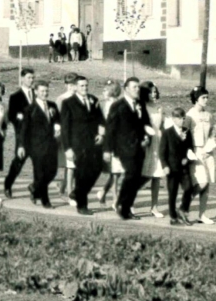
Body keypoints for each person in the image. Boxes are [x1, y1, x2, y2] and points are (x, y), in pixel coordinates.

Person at [105, 77, 150, 220]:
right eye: (134, 87)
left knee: (136, 178)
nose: (137, 89)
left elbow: (146, 123)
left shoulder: (140, 104)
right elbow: (110, 129)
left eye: (138, 87)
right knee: (131, 174)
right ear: (126, 89)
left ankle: (125, 207)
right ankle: (121, 205)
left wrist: (147, 137)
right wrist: (107, 150)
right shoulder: (118, 106)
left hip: (139, 147)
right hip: (123, 148)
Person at [61, 75, 104, 215]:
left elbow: (101, 119)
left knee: (97, 168)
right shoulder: (68, 103)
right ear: (75, 87)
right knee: (81, 173)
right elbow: (65, 128)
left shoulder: (93, 100)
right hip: (77, 144)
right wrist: (67, 148)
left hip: (93, 143)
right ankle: (82, 205)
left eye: (86, 85)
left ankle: (77, 192)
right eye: (81, 86)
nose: (85, 88)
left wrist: (101, 134)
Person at [17, 81, 61, 207]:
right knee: (40, 173)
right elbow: (23, 129)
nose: (45, 93)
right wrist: (21, 146)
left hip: (51, 144)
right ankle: (45, 201)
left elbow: (58, 120)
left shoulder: (52, 105)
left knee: (52, 171)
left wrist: (58, 127)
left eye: (46, 91)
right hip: (36, 146)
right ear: (36, 92)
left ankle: (34, 187)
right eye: (42, 91)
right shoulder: (30, 109)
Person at [186, 86, 216, 225]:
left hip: (208, 151)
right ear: (196, 98)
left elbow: (212, 133)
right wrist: (188, 151)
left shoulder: (209, 115)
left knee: (207, 184)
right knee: (201, 183)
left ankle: (202, 215)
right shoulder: (190, 115)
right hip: (196, 152)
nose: (206, 100)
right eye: (203, 97)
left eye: (207, 97)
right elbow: (184, 134)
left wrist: (211, 144)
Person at [3, 68, 36, 198]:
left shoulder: (37, 94)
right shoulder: (15, 97)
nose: (31, 80)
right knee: (19, 162)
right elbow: (11, 116)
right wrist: (20, 119)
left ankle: (34, 187)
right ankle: (8, 184)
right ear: (22, 78)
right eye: (29, 78)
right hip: (22, 136)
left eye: (32, 78)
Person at [159, 107, 195, 225]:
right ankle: (173, 217)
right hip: (172, 168)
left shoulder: (187, 132)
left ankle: (183, 210)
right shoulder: (167, 133)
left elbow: (190, 148)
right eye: (179, 118)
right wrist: (165, 165)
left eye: (183, 118)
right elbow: (162, 152)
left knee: (189, 188)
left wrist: (187, 159)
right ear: (174, 119)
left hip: (184, 168)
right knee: (172, 193)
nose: (182, 120)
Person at [140, 81, 165, 217]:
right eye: (150, 92)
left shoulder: (159, 108)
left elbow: (163, 126)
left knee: (157, 175)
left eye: (155, 92)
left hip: (157, 142)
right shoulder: (141, 107)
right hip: (145, 143)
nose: (154, 94)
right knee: (141, 176)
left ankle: (154, 207)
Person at [96, 79, 123, 207]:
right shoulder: (108, 105)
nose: (103, 92)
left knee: (118, 171)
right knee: (115, 171)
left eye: (105, 90)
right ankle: (115, 199)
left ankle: (103, 191)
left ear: (112, 91)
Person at [54, 73, 79, 205]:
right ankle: (70, 195)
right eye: (69, 84)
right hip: (66, 136)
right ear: (65, 85)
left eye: (74, 84)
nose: (72, 87)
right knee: (70, 166)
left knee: (73, 166)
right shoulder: (61, 99)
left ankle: (62, 188)